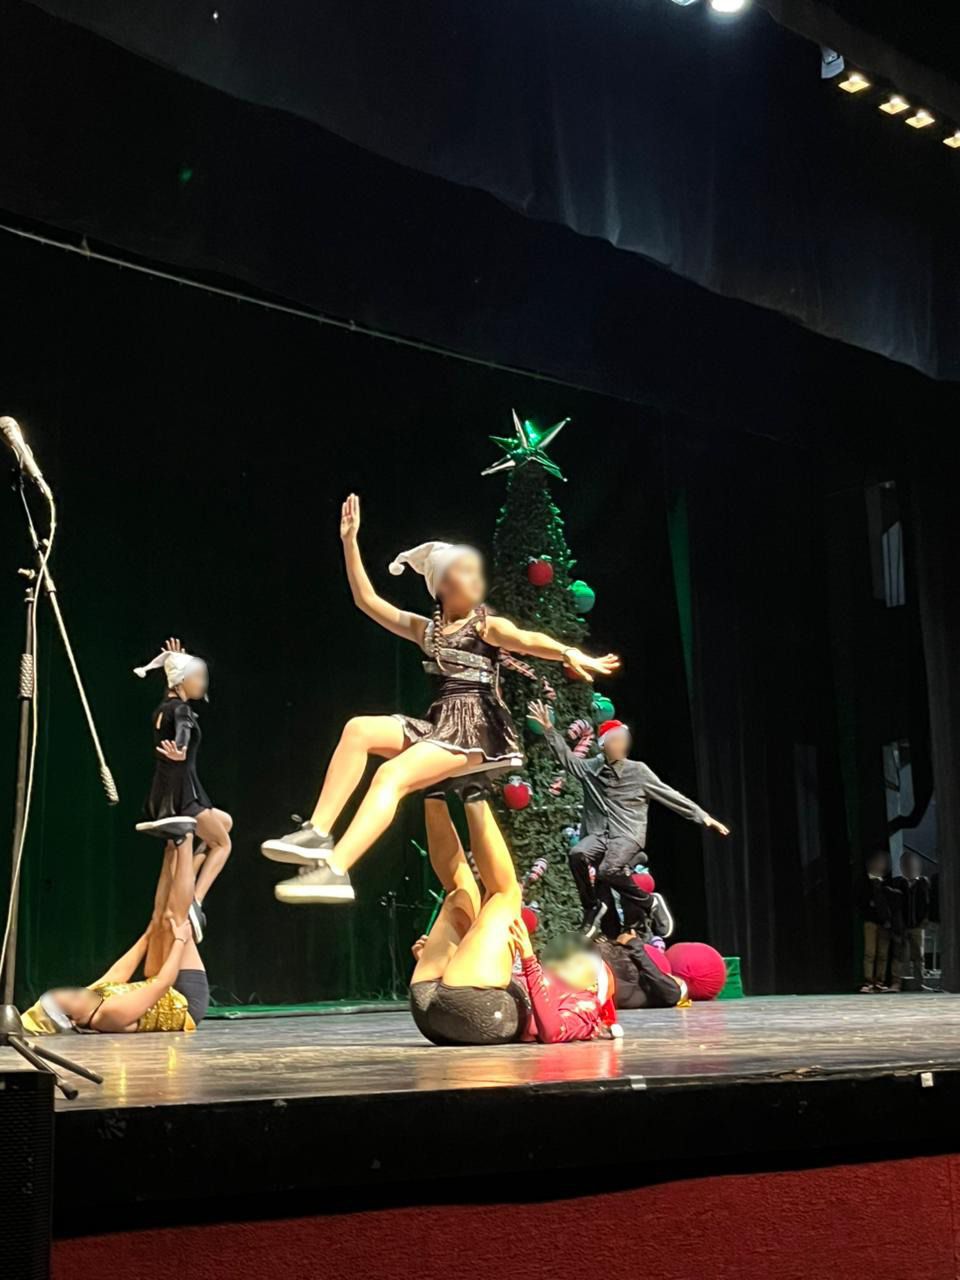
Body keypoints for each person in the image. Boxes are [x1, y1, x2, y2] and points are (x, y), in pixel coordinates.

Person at [261, 494, 619, 904]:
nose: (475, 578)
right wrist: (349, 542)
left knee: (391, 776)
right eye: (465, 571)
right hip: (440, 725)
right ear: (443, 584)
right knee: (358, 729)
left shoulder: (484, 626)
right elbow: (367, 601)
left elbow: (525, 639)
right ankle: (318, 832)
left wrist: (566, 651)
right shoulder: (426, 631)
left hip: (474, 729)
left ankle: (337, 870)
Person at [409, 793, 619, 1045]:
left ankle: (473, 792)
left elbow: (553, 1032)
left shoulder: (586, 1005)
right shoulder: (544, 978)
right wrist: (442, 958)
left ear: (594, 984)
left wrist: (529, 959)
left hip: (482, 1012)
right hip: (432, 1003)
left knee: (507, 893)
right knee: (461, 892)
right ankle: (434, 792)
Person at [528, 703, 728, 935]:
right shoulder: (590, 769)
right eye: (616, 740)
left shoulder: (638, 771)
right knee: (577, 854)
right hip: (599, 834)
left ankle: (650, 903)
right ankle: (592, 907)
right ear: (604, 745)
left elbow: (669, 794)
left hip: (626, 835)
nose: (621, 744)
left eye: (624, 740)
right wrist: (549, 729)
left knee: (607, 870)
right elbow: (568, 759)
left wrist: (703, 816)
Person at [21, 828, 210, 1035]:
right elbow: (162, 984)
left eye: (71, 991)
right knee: (175, 919)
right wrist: (180, 941)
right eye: (73, 997)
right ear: (73, 1020)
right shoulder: (107, 1015)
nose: (78, 991)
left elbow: (119, 972)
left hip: (161, 984)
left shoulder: (91, 998)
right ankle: (186, 840)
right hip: (186, 1002)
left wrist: (149, 934)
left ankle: (171, 845)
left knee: (160, 919)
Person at [133, 637, 233, 941]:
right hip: (184, 796)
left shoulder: (164, 708)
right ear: (180, 681)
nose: (202, 684)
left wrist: (176, 661)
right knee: (223, 844)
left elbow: (175, 726)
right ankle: (195, 901)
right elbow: (183, 734)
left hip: (165, 795)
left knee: (225, 822)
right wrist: (181, 749)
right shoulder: (182, 712)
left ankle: (187, 885)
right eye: (197, 677)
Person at [890, 851, 931, 991]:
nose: (910, 868)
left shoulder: (923, 883)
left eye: (912, 865)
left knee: (918, 956)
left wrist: (925, 919)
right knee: (898, 955)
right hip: (901, 925)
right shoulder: (897, 883)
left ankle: (920, 982)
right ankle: (896, 982)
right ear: (902, 867)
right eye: (906, 865)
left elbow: (928, 903)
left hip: (917, 925)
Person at [859, 848, 896, 993]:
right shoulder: (864, 882)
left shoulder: (888, 882)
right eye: (877, 862)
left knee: (882, 954)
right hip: (870, 921)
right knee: (870, 952)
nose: (880, 865)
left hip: (885, 923)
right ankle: (868, 981)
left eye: (883, 862)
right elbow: (859, 901)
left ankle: (879, 981)